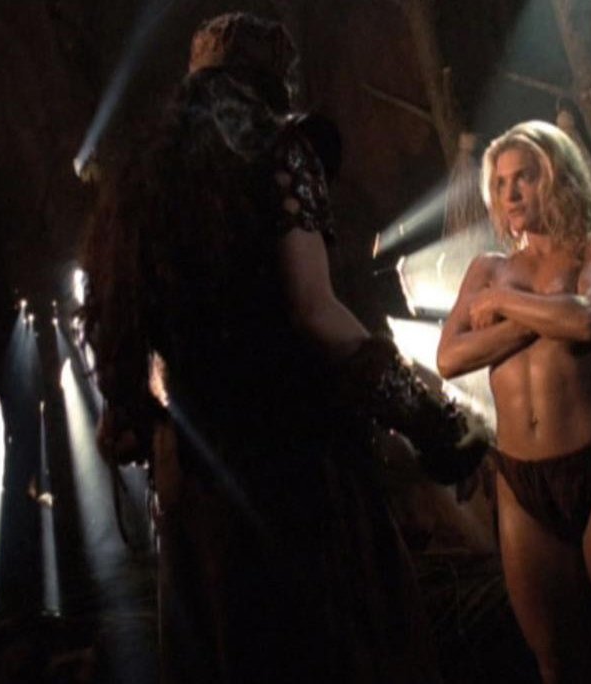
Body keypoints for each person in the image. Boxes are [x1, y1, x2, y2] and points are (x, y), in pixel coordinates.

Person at [83, 12, 484, 683]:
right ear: (271, 84)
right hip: (293, 467)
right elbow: (314, 310)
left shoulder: (144, 180)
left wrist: (133, 414)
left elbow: (125, 331)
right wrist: (432, 422)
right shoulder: (281, 152)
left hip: (199, 480)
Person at [437, 121, 591, 683]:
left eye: (524, 177)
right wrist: (544, 316)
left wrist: (503, 303)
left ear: (557, 178)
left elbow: (587, 319)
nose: (511, 193)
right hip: (520, 482)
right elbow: (449, 357)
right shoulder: (487, 267)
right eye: (500, 183)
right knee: (557, 662)